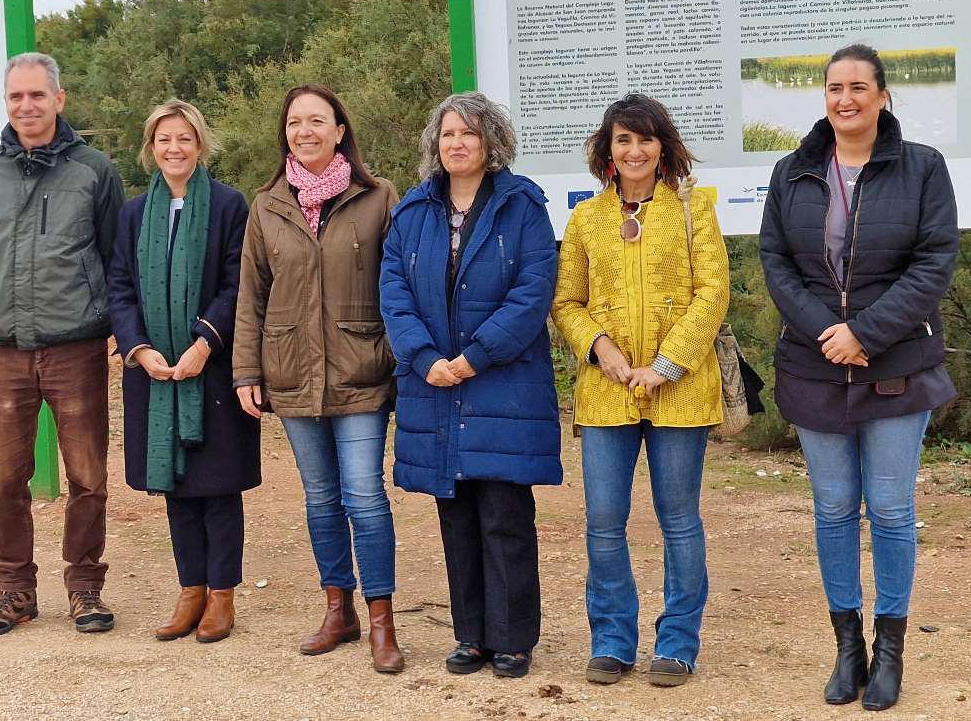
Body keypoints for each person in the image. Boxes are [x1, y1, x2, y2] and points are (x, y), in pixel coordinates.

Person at [759, 44, 959, 711]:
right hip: (815, 364)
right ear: (824, 97)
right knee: (835, 508)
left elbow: (934, 262)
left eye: (858, 87)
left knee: (894, 508)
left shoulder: (923, 167)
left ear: (882, 96)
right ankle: (848, 647)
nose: (844, 99)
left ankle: (891, 649)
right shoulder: (791, 172)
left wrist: (866, 333)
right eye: (833, 87)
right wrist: (828, 331)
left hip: (897, 364)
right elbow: (776, 261)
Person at [380, 92, 560, 679]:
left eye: (470, 133)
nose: (457, 143)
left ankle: (512, 639)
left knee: (504, 514)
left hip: (500, 385)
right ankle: (471, 636)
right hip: (435, 385)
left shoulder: (522, 205)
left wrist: (473, 358)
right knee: (455, 515)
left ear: (492, 142)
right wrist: (426, 356)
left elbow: (533, 293)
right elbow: (394, 293)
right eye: (448, 133)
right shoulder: (412, 212)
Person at [552, 94, 729, 687]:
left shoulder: (693, 210)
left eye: (646, 139)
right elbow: (566, 302)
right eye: (623, 140)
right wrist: (600, 347)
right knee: (603, 519)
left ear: (663, 147)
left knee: (678, 518)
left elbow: (712, 293)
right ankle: (611, 640)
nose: (634, 150)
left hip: (679, 390)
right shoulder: (585, 219)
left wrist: (666, 364)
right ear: (607, 149)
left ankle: (677, 642)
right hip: (605, 393)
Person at [233, 84, 404, 673]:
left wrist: (397, 353)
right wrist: (246, 369)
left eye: (316, 121)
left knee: (364, 495)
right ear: (285, 133)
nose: (304, 131)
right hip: (290, 370)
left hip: (361, 369)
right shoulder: (267, 205)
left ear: (339, 131)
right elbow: (250, 294)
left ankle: (382, 619)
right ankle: (339, 609)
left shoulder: (378, 197)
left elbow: (398, 285)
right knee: (321, 500)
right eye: (294, 122)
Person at [0, 52, 124, 636]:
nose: (25, 106)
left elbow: (111, 255)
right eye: (15, 97)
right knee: (5, 475)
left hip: (75, 347)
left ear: (59, 99)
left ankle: (85, 588)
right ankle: (13, 590)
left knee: (87, 475)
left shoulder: (95, 171)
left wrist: (93, 316)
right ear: (5, 103)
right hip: (2, 350)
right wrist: (0, 309)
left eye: (36, 95)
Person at [107, 100, 260, 643]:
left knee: (217, 487)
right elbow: (119, 287)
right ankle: (189, 588)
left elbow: (236, 283)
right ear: (151, 148)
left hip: (210, 370)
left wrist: (203, 345)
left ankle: (222, 595)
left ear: (200, 145)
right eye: (164, 139)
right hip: (154, 372)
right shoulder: (131, 214)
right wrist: (140, 348)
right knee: (174, 486)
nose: (174, 148)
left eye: (184, 138)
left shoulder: (227, 206)